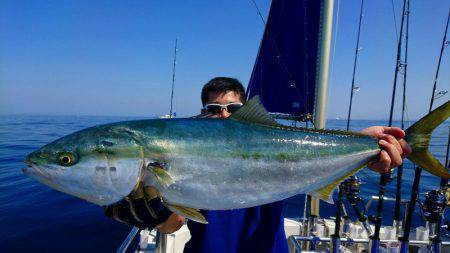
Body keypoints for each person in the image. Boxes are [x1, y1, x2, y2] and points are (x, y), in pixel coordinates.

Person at [106, 77, 411, 253]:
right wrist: (147, 216)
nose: (223, 115)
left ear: (246, 110)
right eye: (214, 109)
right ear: (202, 113)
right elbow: (174, 224)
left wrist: (367, 148)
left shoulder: (275, 144)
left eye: (233, 109)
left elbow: (313, 153)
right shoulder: (187, 158)